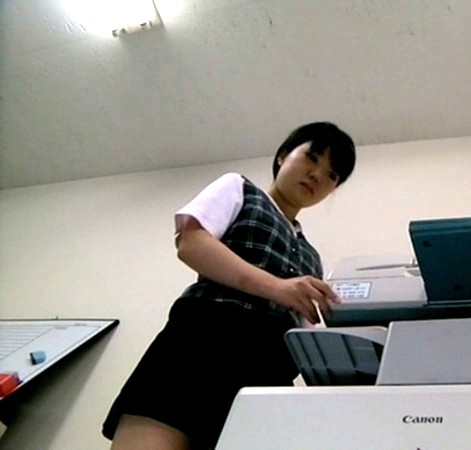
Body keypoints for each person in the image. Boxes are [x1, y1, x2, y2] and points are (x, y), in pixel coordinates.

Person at [102, 122, 357, 449]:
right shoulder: (238, 188)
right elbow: (191, 244)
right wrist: (279, 288)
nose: (317, 174)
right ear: (283, 155)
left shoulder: (313, 258)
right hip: (197, 347)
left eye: (332, 175)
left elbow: (303, 331)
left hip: (268, 374)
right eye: (312, 157)